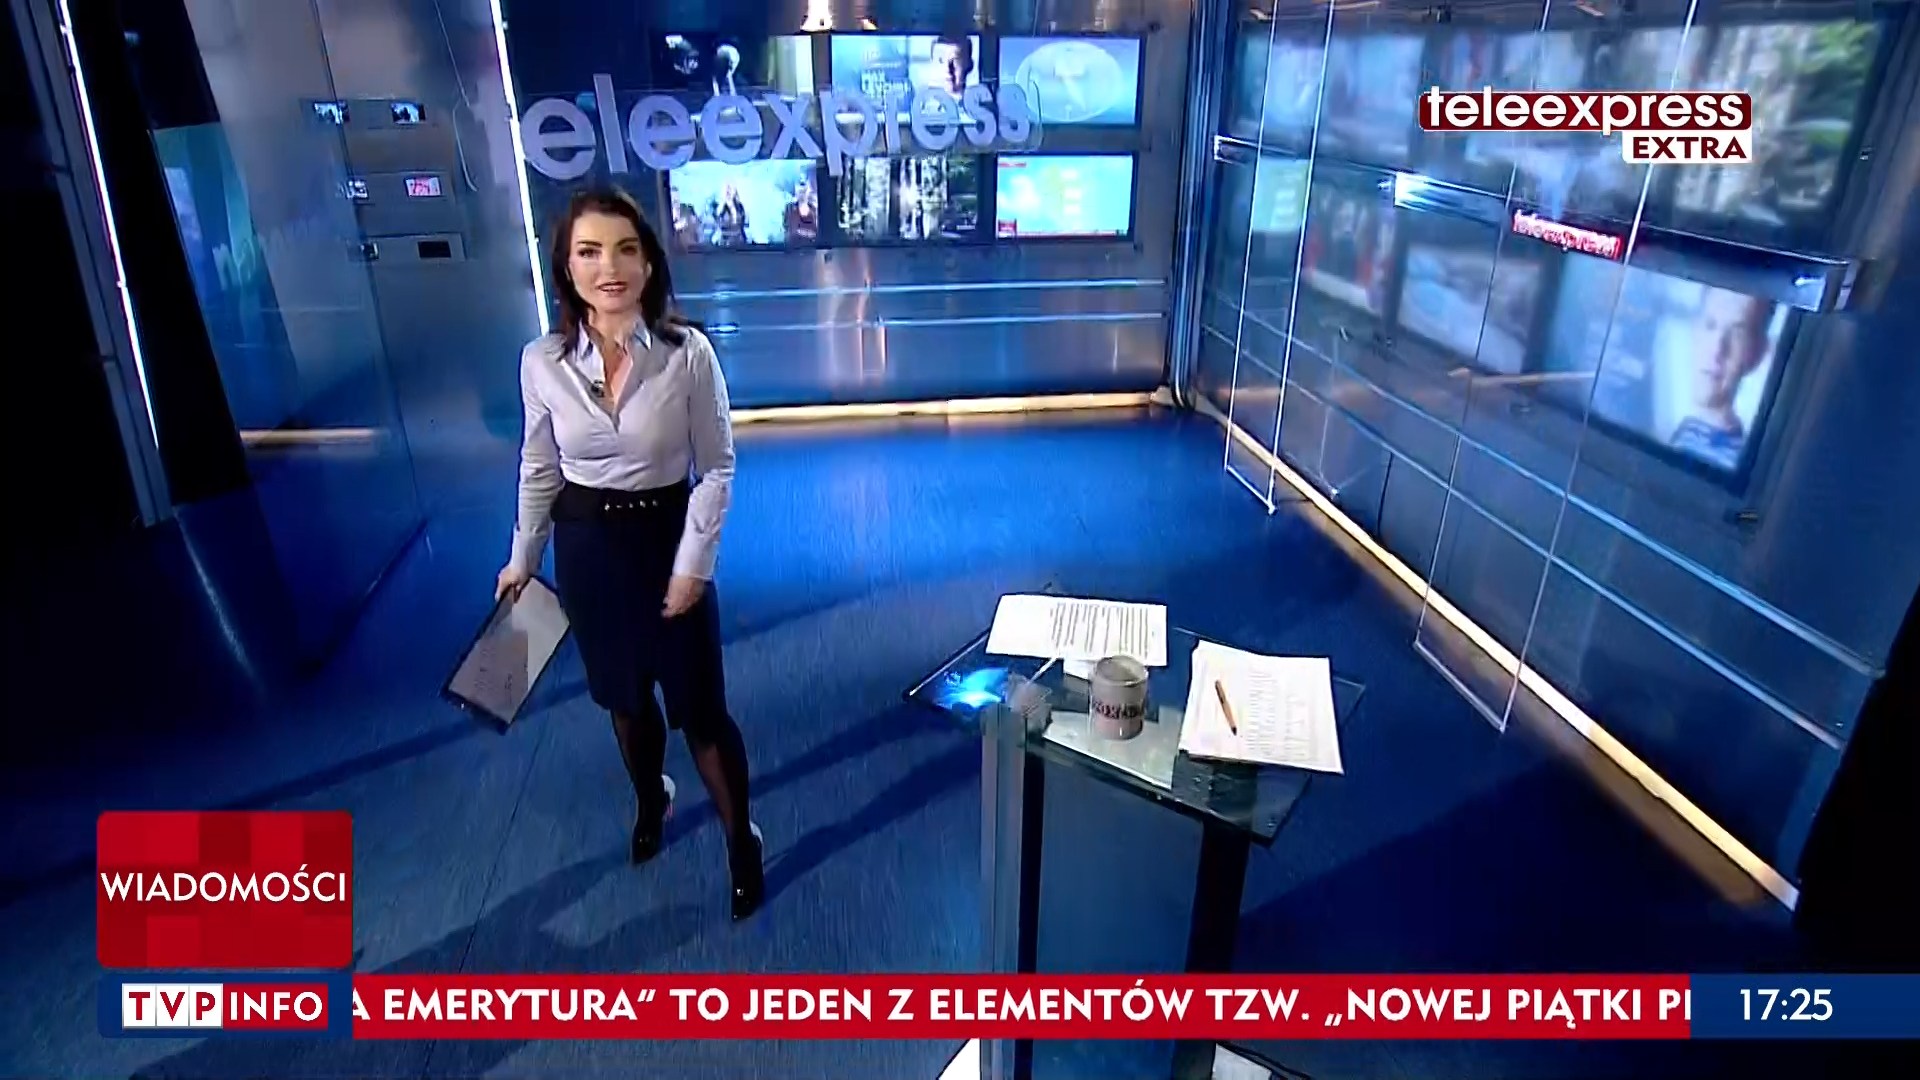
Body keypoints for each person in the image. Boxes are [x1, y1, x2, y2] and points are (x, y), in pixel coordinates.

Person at [495, 187, 763, 920]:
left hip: (667, 540)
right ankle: (651, 798)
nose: (608, 267)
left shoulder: (687, 353)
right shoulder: (541, 361)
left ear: (648, 264)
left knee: (702, 712)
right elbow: (539, 466)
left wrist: (693, 567)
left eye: (625, 249)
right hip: (588, 549)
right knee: (624, 700)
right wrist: (523, 558)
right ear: (566, 266)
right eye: (589, 251)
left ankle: (741, 838)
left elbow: (717, 468)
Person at [1670, 290, 1772, 470]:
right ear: (1695, 330)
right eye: (1710, 325)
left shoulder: (1738, 463)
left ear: (1758, 353)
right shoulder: (1687, 429)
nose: (1717, 350)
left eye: (1738, 334)